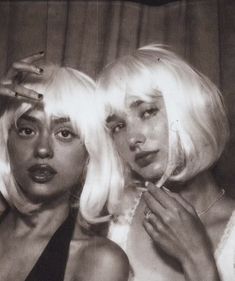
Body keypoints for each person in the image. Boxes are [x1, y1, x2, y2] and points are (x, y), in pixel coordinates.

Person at [96, 44, 235, 281]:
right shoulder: (110, 217)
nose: (132, 138)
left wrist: (198, 259)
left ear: (189, 108)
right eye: (118, 126)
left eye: (147, 112)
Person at [0, 61, 129, 281]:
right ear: (6, 141)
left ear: (90, 152)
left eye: (65, 134)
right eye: (27, 130)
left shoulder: (97, 262)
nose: (42, 149)